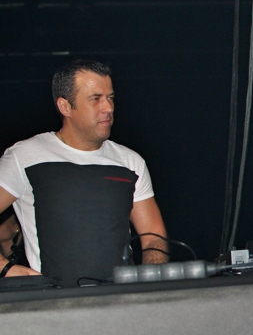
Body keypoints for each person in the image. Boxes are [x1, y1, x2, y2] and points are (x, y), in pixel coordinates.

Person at [0, 59, 168, 285]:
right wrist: (6, 268)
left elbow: (153, 237)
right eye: (95, 99)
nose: (108, 108)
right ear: (65, 107)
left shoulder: (130, 161)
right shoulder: (25, 156)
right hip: (56, 301)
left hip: (123, 300)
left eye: (110, 98)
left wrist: (152, 287)